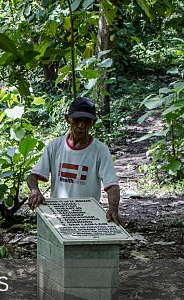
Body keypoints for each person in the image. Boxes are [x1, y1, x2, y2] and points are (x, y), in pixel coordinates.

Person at [27, 96, 122, 224]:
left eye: (86, 121)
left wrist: (113, 209)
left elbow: (112, 185)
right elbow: (32, 176)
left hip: (87, 214)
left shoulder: (100, 150)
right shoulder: (55, 146)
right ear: (68, 119)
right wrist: (35, 190)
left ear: (92, 123)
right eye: (77, 120)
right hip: (59, 213)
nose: (81, 126)